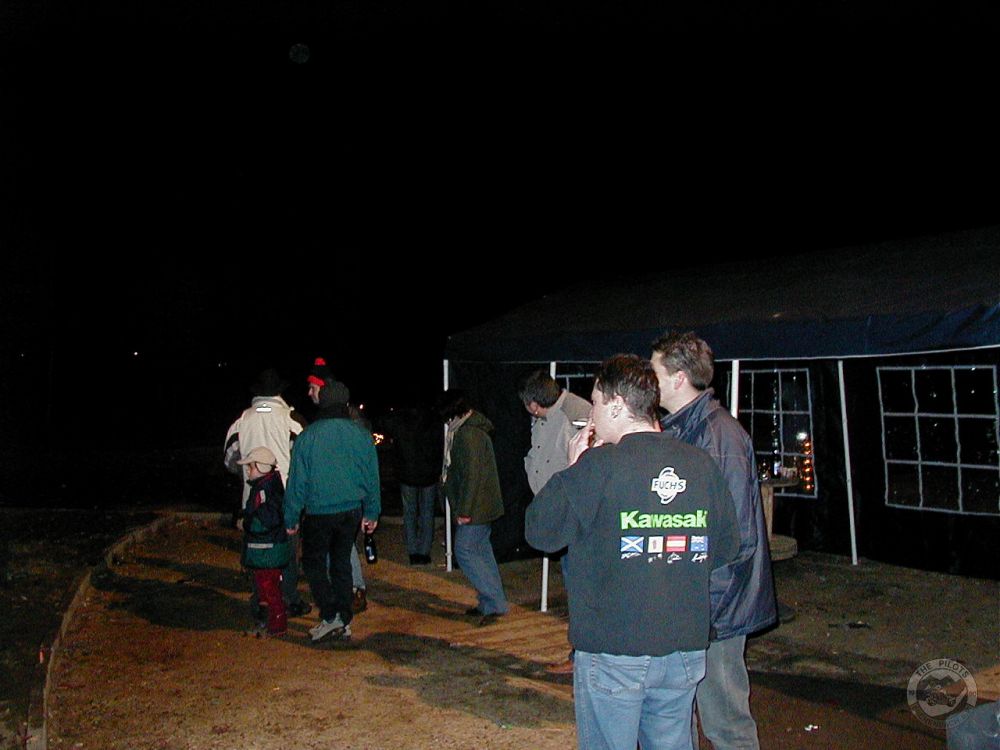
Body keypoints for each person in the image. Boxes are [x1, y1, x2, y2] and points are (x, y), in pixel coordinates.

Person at [525, 354, 740, 750]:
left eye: (595, 403)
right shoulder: (700, 464)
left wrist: (572, 468)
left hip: (615, 650)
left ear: (616, 405)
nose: (591, 415)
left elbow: (539, 531)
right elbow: (726, 547)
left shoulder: (596, 467)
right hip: (683, 646)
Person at [651, 331, 778, 750]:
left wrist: (707, 607)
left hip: (716, 607)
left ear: (678, 377)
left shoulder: (719, 436)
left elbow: (734, 535)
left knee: (724, 720)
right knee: (678, 715)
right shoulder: (683, 429)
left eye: (655, 372)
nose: (649, 381)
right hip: (693, 602)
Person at [284, 375, 381, 642]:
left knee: (314, 565)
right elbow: (371, 477)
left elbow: (297, 482)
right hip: (351, 511)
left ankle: (331, 616)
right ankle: (343, 617)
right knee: (340, 564)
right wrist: (372, 512)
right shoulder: (361, 436)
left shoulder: (308, 437)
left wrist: (291, 516)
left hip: (319, 512)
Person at [517, 369, 591, 674]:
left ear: (533, 404)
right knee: (574, 586)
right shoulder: (545, 418)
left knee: (581, 590)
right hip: (558, 511)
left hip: (576, 516)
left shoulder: (577, 413)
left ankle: (582, 657)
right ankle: (580, 654)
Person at [224, 367, 311, 621]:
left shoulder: (242, 420)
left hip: (252, 499)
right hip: (286, 499)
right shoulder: (291, 419)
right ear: (279, 392)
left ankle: (261, 601)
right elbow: (305, 458)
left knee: (258, 550)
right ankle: (289, 600)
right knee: (288, 552)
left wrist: (247, 472)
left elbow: (229, 459)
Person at [306, 357, 370, 613]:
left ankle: (354, 589)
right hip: (342, 492)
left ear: (324, 389)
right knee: (339, 545)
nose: (309, 393)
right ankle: (347, 590)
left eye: (312, 388)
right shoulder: (331, 416)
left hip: (346, 494)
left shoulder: (346, 417)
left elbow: (360, 457)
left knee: (340, 545)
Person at [439, 390, 508, 626]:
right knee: (481, 551)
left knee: (465, 551)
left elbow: (472, 476)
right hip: (481, 505)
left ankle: (495, 602)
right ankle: (490, 603)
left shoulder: (468, 434)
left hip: (476, 507)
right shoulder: (469, 430)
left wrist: (464, 510)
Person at [238, 446, 292, 637]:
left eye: (251, 467)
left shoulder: (265, 490)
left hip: (267, 550)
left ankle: (277, 625)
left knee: (269, 589)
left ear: (261, 467)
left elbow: (269, 519)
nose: (248, 471)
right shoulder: (267, 486)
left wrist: (247, 522)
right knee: (264, 588)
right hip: (266, 550)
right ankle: (267, 622)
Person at [381, 400, 443, 565]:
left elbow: (387, 425)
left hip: (407, 473)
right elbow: (438, 445)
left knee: (410, 512)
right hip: (428, 473)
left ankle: (413, 550)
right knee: (427, 512)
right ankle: (424, 550)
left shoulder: (401, 420)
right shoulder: (433, 419)